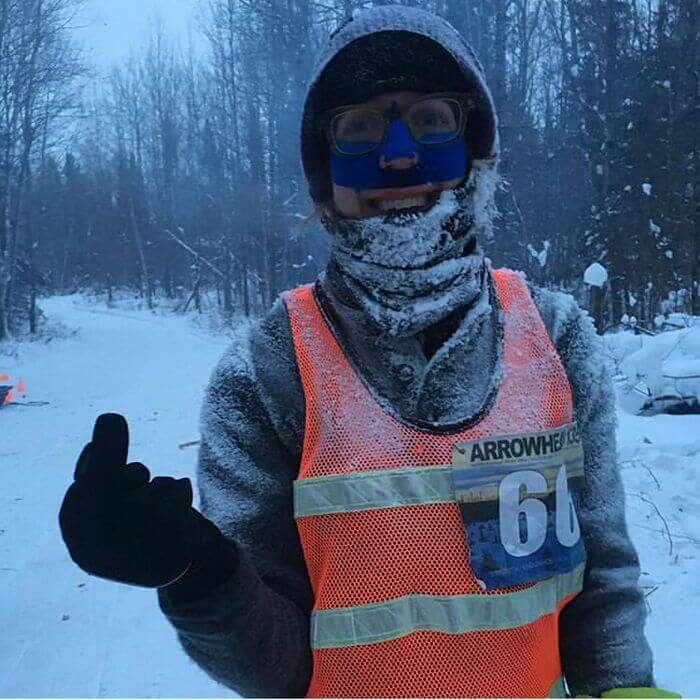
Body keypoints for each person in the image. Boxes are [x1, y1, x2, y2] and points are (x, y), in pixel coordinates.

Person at [60, 6, 676, 698]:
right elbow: (279, 669)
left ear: (474, 150)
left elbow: (601, 587)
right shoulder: (266, 374)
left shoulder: (556, 341)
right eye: (359, 128)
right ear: (324, 174)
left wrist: (623, 687)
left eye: (431, 120)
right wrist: (199, 574)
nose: (400, 154)